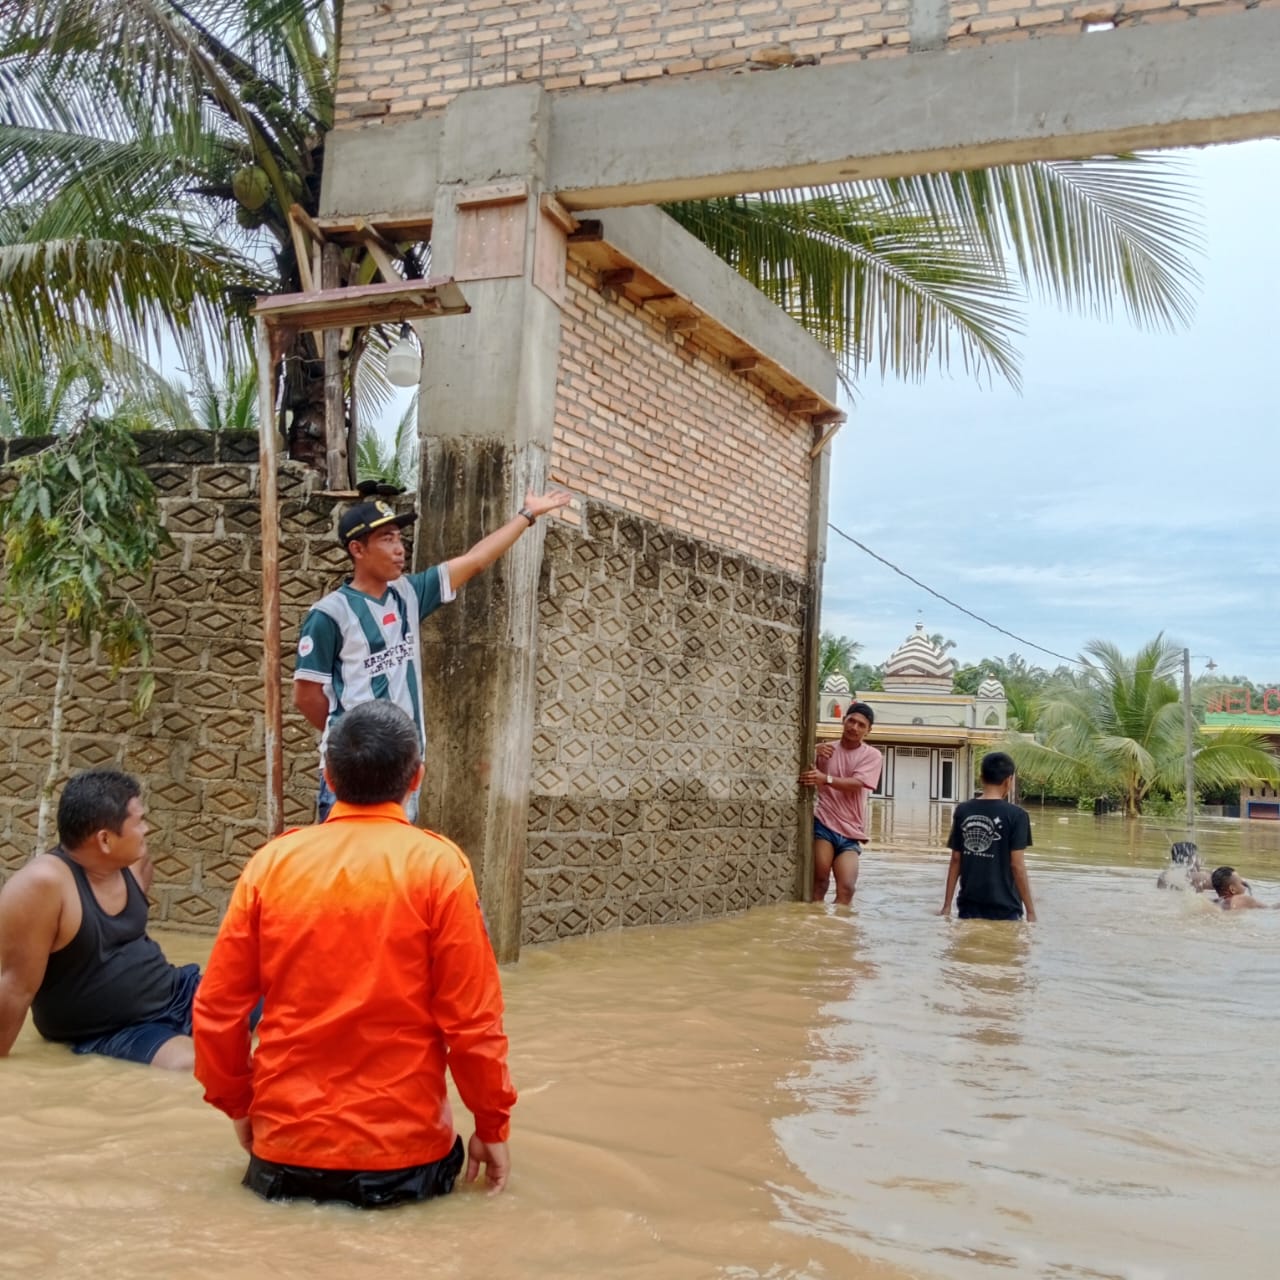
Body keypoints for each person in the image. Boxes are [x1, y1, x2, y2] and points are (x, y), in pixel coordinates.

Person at [192, 701, 517, 1208]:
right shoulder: (439, 869)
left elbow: (216, 1012)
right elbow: (473, 1022)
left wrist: (238, 1106)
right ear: (417, 779)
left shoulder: (271, 864)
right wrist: (492, 1125)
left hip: (283, 1154)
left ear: (328, 775)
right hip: (405, 1161)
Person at [293, 483, 571, 822]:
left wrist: (527, 515)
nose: (400, 549)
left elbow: (477, 560)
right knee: (344, 866)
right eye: (387, 539)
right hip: (350, 772)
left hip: (402, 770)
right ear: (357, 549)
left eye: (399, 537)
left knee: (396, 869)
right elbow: (306, 696)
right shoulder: (329, 614)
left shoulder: (408, 594)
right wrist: (354, 742)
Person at [0, 770, 200, 1069]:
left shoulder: (135, 862)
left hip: (177, 991)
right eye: (138, 821)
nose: (146, 829)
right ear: (105, 839)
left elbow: (127, 941)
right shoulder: (42, 885)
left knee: (282, 1010)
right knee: (196, 1065)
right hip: (113, 1029)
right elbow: (14, 987)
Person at [939, 751, 1037, 922]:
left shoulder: (963, 810)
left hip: (969, 905)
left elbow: (956, 859)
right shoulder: (1017, 815)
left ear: (981, 778)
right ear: (1009, 780)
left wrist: (947, 905)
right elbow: (1017, 865)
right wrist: (1030, 911)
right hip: (1005, 907)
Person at [800, 702, 883, 903]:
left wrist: (825, 778)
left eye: (861, 725)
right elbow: (803, 772)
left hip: (851, 830)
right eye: (851, 721)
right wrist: (813, 751)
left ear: (868, 731)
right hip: (824, 823)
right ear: (843, 721)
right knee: (819, 881)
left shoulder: (872, 755)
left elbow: (857, 783)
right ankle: (815, 927)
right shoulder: (825, 750)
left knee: (847, 888)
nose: (854, 727)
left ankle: (840, 931)